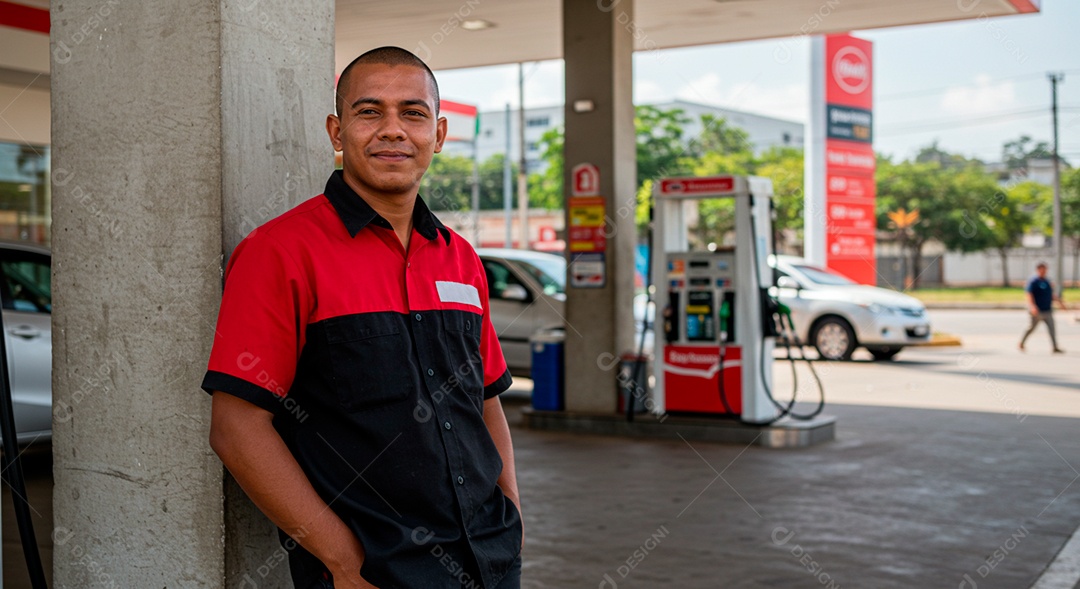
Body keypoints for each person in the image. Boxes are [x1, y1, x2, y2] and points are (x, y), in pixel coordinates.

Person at [202, 47, 522, 589]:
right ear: (337, 130)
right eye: (369, 111)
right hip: (373, 572)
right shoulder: (280, 252)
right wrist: (343, 561)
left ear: (439, 135)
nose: (393, 130)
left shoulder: (461, 258)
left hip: (490, 560)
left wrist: (510, 509)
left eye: (413, 113)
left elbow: (485, 400)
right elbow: (237, 429)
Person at [1019, 262, 1066, 353]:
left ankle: (1055, 347)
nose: (1044, 271)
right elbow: (1029, 294)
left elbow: (1051, 295)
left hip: (1047, 310)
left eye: (1045, 269)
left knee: (1052, 328)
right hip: (1037, 311)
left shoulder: (1047, 281)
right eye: (1042, 269)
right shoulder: (1033, 281)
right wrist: (1032, 306)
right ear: (1038, 270)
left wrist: (1060, 303)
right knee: (1031, 328)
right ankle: (1022, 342)